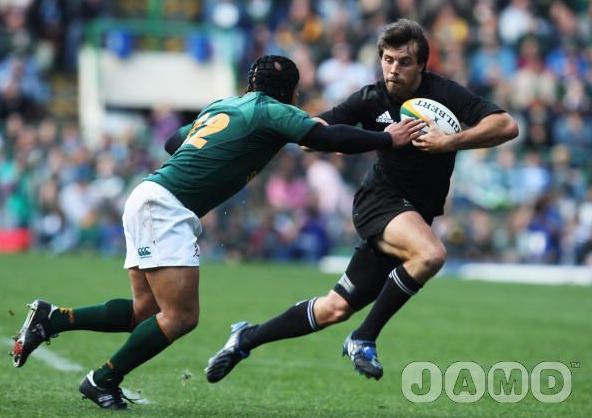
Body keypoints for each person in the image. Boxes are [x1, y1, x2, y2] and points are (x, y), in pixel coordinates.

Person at [10, 54, 423, 409]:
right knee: (181, 317)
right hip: (165, 208)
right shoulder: (272, 110)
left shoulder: (225, 105)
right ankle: (102, 379)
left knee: (145, 311)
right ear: (290, 93)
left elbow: (173, 142)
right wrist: (386, 139)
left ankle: (53, 319)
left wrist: (221, 149)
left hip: (148, 196)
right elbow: (327, 137)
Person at [205, 19, 519, 383]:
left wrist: (449, 142)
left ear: (421, 65)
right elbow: (312, 135)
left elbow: (506, 125)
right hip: (380, 201)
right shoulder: (370, 99)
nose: (393, 69)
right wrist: (369, 139)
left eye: (404, 62)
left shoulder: (445, 94)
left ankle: (245, 338)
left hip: (415, 215)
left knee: (334, 308)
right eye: (387, 60)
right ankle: (364, 337)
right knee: (431, 254)